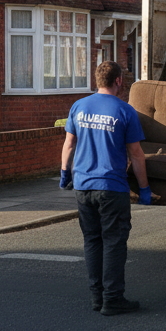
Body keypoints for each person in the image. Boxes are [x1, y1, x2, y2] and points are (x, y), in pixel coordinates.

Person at [61, 60, 151, 316]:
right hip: (112, 187)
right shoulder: (125, 111)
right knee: (113, 242)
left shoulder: (79, 106)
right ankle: (113, 298)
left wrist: (64, 173)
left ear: (97, 81)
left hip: (83, 186)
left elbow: (69, 144)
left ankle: (97, 297)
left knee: (92, 241)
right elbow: (136, 155)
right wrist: (144, 188)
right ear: (119, 81)